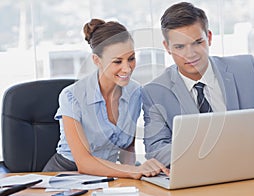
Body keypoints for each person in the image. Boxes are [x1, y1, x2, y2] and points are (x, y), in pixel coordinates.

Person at [142, 2, 254, 166]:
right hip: (197, 182)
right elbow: (156, 150)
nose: (190, 54)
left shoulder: (248, 69)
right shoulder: (154, 93)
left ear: (209, 38)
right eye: (180, 47)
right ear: (167, 47)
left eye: (197, 42)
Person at [43, 18, 169, 179]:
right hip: (66, 174)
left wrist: (132, 179)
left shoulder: (136, 92)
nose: (127, 68)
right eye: (117, 61)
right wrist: (133, 171)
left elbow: (128, 147)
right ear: (97, 60)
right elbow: (83, 162)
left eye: (131, 58)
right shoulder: (72, 96)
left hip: (107, 175)